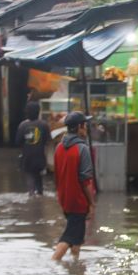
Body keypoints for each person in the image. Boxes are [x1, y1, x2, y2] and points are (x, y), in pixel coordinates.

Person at [52, 112, 96, 261]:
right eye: (84, 125)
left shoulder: (59, 147)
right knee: (69, 237)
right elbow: (86, 181)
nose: (86, 128)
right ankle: (53, 263)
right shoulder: (82, 149)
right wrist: (91, 203)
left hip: (64, 199)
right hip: (78, 200)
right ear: (79, 127)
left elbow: (56, 175)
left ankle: (76, 270)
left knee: (77, 237)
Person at [15, 101, 50, 196]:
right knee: (40, 180)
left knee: (30, 179)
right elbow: (48, 141)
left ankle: (31, 196)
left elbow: (17, 142)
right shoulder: (44, 125)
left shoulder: (22, 126)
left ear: (26, 112)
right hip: (40, 157)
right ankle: (40, 196)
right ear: (38, 112)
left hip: (27, 157)